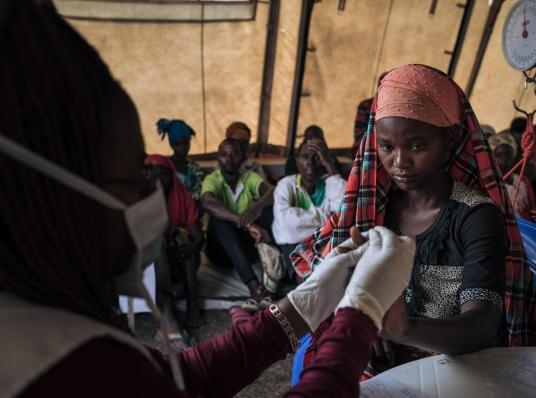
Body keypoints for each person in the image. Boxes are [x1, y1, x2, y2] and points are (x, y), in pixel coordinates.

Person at [0, 2, 420, 397]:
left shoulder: (57, 337)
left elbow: (181, 380)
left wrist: (302, 305)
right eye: (134, 180)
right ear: (52, 196)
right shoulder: (50, 375)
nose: (153, 202)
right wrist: (360, 313)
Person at [291, 64, 536, 376]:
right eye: (387, 146)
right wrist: (367, 318)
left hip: (463, 369)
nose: (399, 162)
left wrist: (401, 327)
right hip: (389, 363)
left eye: (417, 146)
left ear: (450, 138)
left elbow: (483, 326)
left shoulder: (476, 216)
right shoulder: (374, 210)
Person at [201, 138, 274, 303]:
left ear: (243, 157)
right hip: (219, 253)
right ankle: (253, 284)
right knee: (218, 219)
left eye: (234, 154)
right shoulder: (213, 180)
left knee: (269, 209)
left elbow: (271, 191)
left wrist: (257, 206)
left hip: (248, 247)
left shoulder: (249, 177)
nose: (229, 159)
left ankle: (284, 272)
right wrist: (244, 221)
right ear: (218, 158)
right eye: (223, 154)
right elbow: (207, 202)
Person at [145, 155, 205, 329]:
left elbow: (199, 237)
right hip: (152, 262)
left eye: (163, 175)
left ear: (172, 177)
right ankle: (168, 310)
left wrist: (190, 247)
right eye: (153, 175)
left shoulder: (181, 197)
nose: (158, 181)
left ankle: (192, 306)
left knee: (185, 245)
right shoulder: (138, 200)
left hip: (177, 261)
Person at [273, 140, 346, 278]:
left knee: (334, 273)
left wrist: (330, 166)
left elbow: (346, 211)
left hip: (323, 243)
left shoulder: (329, 184)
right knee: (306, 276)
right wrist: (328, 220)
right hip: (293, 244)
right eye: (305, 156)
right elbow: (286, 223)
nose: (310, 162)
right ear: (296, 160)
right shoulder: (286, 185)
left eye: (317, 157)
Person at [489, 132, 536, 221]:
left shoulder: (522, 180)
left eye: (507, 153)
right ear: (492, 157)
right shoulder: (489, 183)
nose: (504, 158)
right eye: (499, 154)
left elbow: (532, 209)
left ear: (513, 155)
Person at [157, 119, 204, 201]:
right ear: (171, 145)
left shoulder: (194, 167)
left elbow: (200, 191)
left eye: (186, 142)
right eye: (178, 144)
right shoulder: (166, 167)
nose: (183, 147)